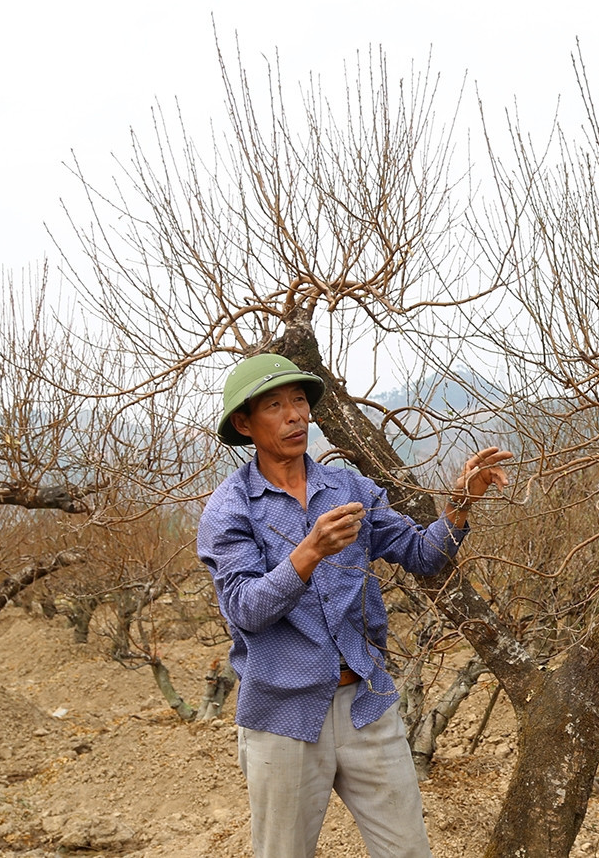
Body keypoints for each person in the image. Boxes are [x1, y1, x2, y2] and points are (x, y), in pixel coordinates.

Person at [197, 353, 511, 858]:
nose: (295, 415)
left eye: (299, 401)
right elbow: (246, 610)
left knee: (408, 851)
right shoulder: (230, 509)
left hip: (365, 702)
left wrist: (461, 502)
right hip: (284, 715)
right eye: (275, 405)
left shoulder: (347, 488)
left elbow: (421, 554)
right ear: (244, 423)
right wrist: (309, 552)